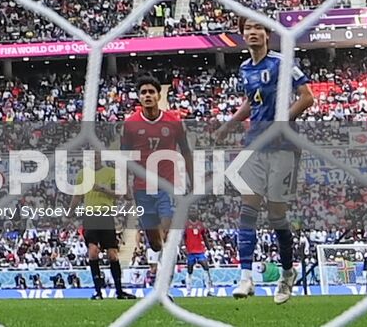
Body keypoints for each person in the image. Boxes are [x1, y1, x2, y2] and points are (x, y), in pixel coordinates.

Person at [214, 18, 315, 303]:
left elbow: (307, 97)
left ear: (267, 34)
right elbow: (251, 101)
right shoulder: (245, 68)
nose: (253, 32)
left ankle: (286, 273)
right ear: (243, 34)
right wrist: (229, 124)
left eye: (258, 28)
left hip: (283, 146)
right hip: (255, 146)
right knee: (247, 210)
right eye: (248, 28)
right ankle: (245, 277)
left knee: (276, 216)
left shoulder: (281, 63)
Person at [121, 75, 191, 255]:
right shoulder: (130, 124)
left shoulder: (174, 122)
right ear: (138, 97)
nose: (147, 95)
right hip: (142, 189)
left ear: (159, 96)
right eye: (143, 92)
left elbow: (186, 152)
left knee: (167, 233)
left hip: (168, 186)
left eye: (151, 92)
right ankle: (162, 258)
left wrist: (194, 182)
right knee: (155, 243)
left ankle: (167, 270)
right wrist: (123, 185)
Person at [70, 148, 131, 299]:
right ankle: (98, 292)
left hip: (106, 215)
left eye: (97, 157)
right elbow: (77, 195)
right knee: (93, 252)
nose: (94, 159)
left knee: (112, 255)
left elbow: (120, 194)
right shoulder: (83, 174)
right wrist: (70, 211)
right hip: (90, 215)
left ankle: (119, 291)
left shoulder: (110, 172)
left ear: (100, 158)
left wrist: (102, 189)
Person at [182, 218, 213, 289]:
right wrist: (184, 246)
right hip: (190, 251)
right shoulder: (186, 224)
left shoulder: (200, 224)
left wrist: (208, 248)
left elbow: (204, 236)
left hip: (200, 251)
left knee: (206, 267)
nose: (193, 212)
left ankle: (209, 289)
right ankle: (188, 290)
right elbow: (183, 236)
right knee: (190, 270)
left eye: (195, 210)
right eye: (192, 210)